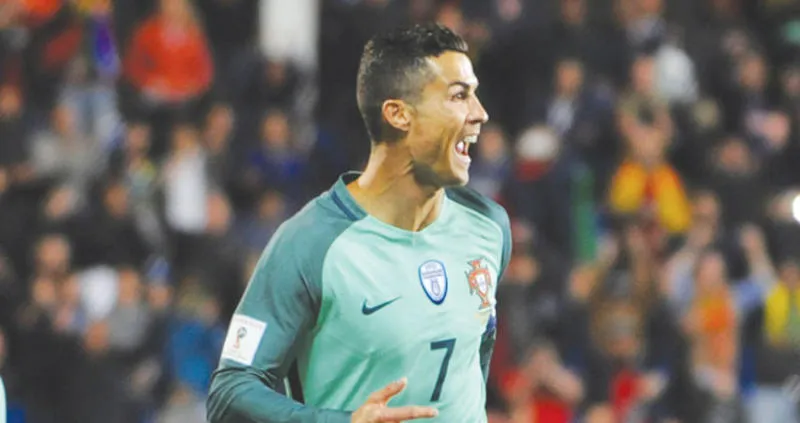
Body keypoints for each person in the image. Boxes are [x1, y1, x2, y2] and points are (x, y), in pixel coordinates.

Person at [206, 23, 511, 423]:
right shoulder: (311, 243)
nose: (480, 113)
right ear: (398, 114)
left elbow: (473, 362)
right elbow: (230, 393)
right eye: (459, 96)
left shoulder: (488, 226)